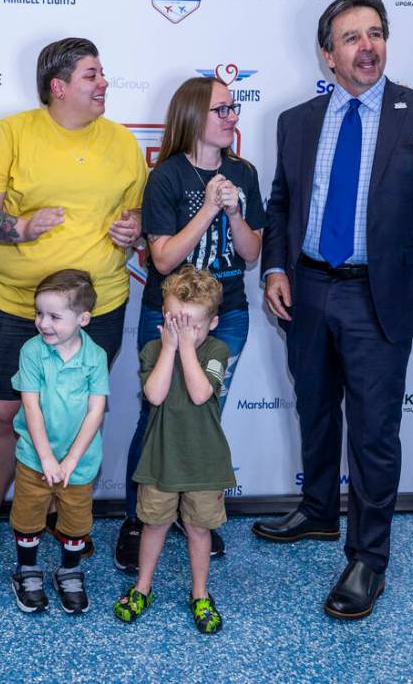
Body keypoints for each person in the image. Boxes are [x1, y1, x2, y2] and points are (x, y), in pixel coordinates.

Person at [255, 0, 413, 620]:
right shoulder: (296, 120)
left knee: (376, 433)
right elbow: (280, 204)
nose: (367, 46)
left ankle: (367, 559)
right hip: (309, 287)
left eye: (375, 33)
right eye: (351, 37)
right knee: (316, 410)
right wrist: (275, 266)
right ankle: (319, 510)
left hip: (378, 297)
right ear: (327, 54)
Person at [0, 37, 148, 577]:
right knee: (2, 412)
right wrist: (20, 226)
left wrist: (132, 228)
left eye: (103, 72)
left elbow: (135, 214)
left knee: (75, 416)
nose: (103, 82)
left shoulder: (121, 144)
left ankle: (65, 522)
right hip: (12, 304)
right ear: (58, 86)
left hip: (97, 308)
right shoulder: (10, 135)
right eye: (92, 74)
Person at [114, 76, 265, 573]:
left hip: (228, 315)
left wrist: (235, 212)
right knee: (155, 413)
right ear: (194, 116)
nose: (232, 117)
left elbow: (250, 253)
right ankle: (141, 518)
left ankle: (196, 517)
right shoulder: (167, 177)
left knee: (205, 410)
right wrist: (206, 210)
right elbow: (160, 260)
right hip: (170, 314)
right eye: (221, 109)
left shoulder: (244, 172)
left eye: (233, 108)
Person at [113, 265, 235, 634]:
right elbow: (154, 394)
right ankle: (142, 588)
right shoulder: (154, 348)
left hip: (203, 462)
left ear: (212, 323)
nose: (183, 330)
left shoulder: (217, 348)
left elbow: (200, 393)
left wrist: (184, 348)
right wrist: (171, 348)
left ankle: (200, 593)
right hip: (160, 460)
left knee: (199, 531)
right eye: (174, 320)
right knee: (154, 525)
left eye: (192, 325)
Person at [8, 270, 108, 614]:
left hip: (79, 463)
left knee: (76, 522)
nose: (43, 323)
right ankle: (27, 570)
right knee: (28, 517)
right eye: (39, 314)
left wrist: (69, 461)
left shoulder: (95, 357)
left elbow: (96, 412)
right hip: (36, 458)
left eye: (53, 316)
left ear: (83, 319)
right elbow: (31, 406)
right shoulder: (31, 352)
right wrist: (48, 459)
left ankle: (69, 570)